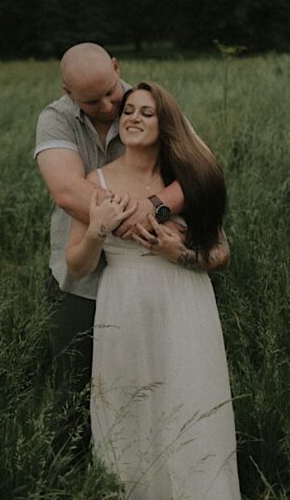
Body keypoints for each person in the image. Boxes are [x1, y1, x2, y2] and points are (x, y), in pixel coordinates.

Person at [34, 43, 225, 457]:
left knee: (167, 379)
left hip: (160, 278)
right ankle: (74, 478)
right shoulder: (56, 120)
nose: (109, 106)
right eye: (92, 100)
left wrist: (155, 206)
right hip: (84, 272)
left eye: (110, 92)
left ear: (117, 67)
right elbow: (69, 193)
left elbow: (203, 168)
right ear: (68, 93)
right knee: (79, 385)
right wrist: (137, 222)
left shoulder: (144, 104)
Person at [66, 82, 238, 498]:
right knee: (129, 403)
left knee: (188, 395)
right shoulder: (97, 180)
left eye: (147, 112)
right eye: (128, 111)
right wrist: (97, 229)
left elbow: (221, 253)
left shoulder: (186, 180)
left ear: (165, 124)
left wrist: (176, 252)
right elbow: (76, 265)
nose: (133, 118)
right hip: (123, 302)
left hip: (184, 299)